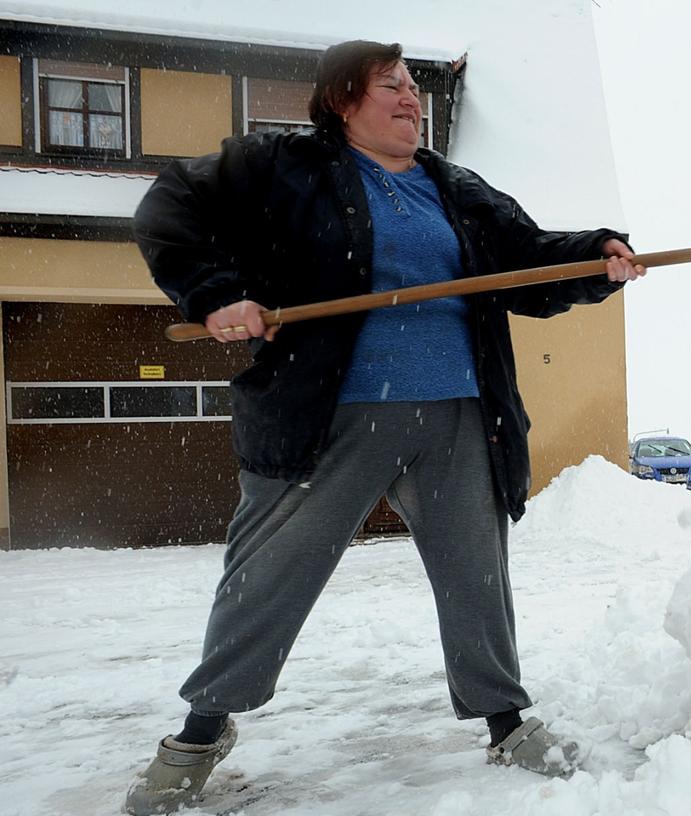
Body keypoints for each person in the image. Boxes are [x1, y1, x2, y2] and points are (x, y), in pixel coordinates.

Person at [122, 39, 644, 816]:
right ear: (342, 101)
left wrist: (592, 257)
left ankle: (505, 720)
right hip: (327, 415)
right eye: (391, 87)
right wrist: (214, 293)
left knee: (476, 572)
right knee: (270, 574)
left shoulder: (454, 187)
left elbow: (528, 260)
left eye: (412, 88)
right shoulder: (283, 166)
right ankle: (201, 732)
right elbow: (170, 206)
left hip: (459, 412)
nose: (410, 100)